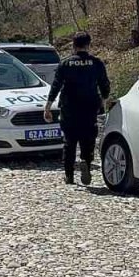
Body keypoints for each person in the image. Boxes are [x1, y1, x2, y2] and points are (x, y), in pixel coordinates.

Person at [43, 31, 110, 186]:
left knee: (69, 141)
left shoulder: (66, 63)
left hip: (69, 107)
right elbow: (104, 85)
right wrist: (103, 99)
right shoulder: (97, 63)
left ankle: (69, 175)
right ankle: (86, 161)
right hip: (90, 106)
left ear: (74, 45)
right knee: (88, 138)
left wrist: (47, 107)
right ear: (88, 45)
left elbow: (56, 86)